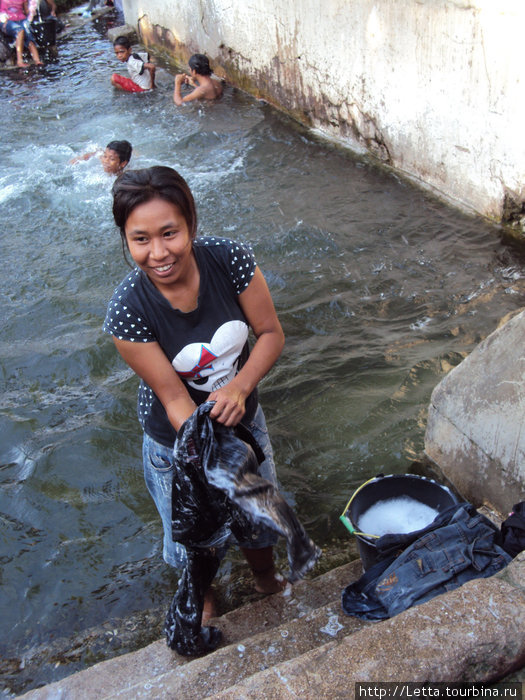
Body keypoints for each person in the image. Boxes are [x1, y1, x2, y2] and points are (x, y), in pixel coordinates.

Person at [103, 166, 292, 627]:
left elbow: (270, 333)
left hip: (243, 418)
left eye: (170, 233)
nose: (159, 252)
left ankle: (265, 576)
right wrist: (208, 453)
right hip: (175, 440)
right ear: (126, 240)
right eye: (141, 239)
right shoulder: (127, 310)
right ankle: (205, 596)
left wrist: (241, 387)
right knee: (193, 532)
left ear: (190, 224)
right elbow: (172, 398)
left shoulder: (230, 260)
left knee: (256, 505)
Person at [0, 0, 42, 66]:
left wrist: (33, 7)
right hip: (6, 21)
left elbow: (26, 11)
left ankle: (37, 60)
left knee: (29, 38)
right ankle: (20, 61)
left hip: (21, 20)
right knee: (20, 31)